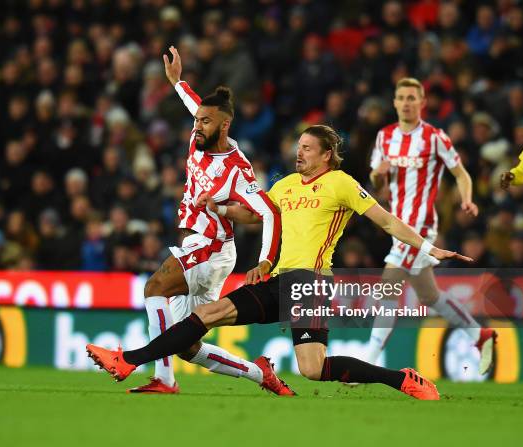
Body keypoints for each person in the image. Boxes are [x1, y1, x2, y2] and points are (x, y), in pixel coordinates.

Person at [86, 124, 474, 400]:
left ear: (326, 154)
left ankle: (401, 379)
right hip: (279, 278)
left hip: (310, 283)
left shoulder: (341, 182)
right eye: (298, 146)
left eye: (307, 148)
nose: (298, 152)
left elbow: (387, 221)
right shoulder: (285, 185)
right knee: (211, 316)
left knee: (312, 369)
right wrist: (219, 206)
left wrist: (428, 248)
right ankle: (129, 360)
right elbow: (256, 214)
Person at [99, 46, 288, 395]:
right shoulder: (199, 136)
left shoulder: (237, 168)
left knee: (154, 287)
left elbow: (269, 212)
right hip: (197, 246)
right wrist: (176, 81)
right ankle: (260, 374)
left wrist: (266, 259)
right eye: (196, 120)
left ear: (224, 124)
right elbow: (193, 104)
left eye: (204, 121)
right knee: (186, 345)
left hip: (212, 247)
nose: (197, 126)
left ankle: (162, 379)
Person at [366, 77, 496, 374]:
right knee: (429, 296)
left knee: (388, 285)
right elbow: (376, 180)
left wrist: (467, 199)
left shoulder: (435, 137)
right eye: (402, 97)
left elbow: (462, 174)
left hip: (422, 226)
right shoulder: (384, 137)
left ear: (422, 102)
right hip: (397, 225)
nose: (407, 102)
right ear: (395, 102)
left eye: (413, 97)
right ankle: (481, 335)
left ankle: (366, 364)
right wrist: (378, 174)